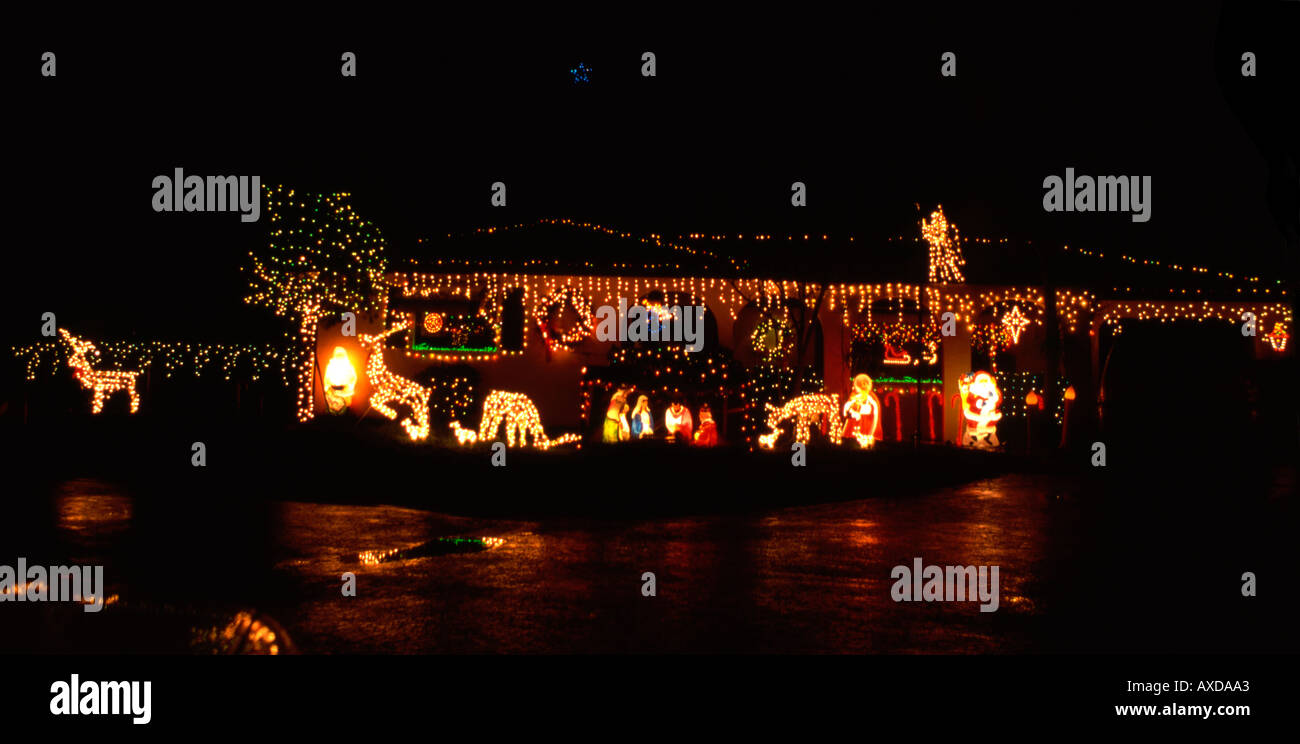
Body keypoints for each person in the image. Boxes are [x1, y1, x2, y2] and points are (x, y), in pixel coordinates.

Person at [841, 373, 882, 447]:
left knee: (865, 442)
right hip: (855, 426)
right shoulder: (854, 396)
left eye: (864, 384)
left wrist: (861, 410)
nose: (863, 386)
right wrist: (851, 412)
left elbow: (874, 411)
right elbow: (848, 407)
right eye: (861, 384)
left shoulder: (871, 397)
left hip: (867, 425)